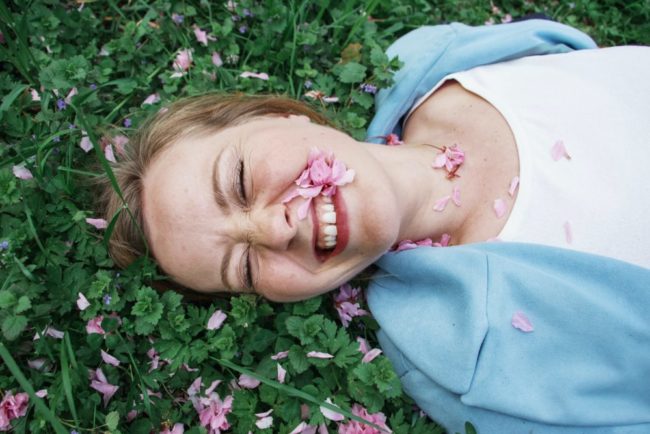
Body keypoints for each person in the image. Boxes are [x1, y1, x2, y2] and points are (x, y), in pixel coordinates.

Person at [101, 18, 650, 433]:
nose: (274, 229)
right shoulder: (461, 367)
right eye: (244, 266)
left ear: (276, 113)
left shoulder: (426, 61)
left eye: (240, 181)